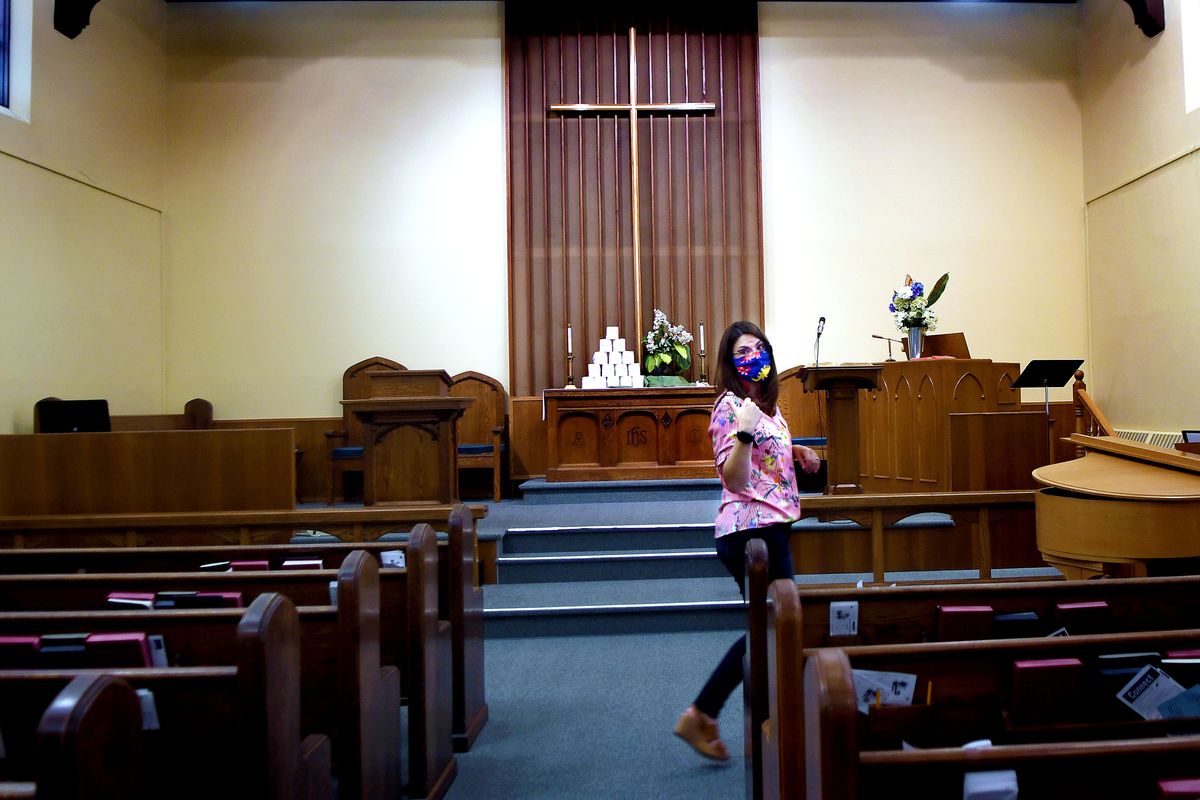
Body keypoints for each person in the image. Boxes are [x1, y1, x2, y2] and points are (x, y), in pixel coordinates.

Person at [673, 321, 821, 761]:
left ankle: (713, 716)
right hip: (750, 532)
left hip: (772, 524)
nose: (754, 356)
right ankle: (722, 715)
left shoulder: (766, 406)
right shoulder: (730, 407)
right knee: (774, 629)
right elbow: (735, 478)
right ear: (730, 361)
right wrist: (743, 431)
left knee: (771, 629)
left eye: (760, 347)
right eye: (743, 351)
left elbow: (763, 455)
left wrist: (795, 452)